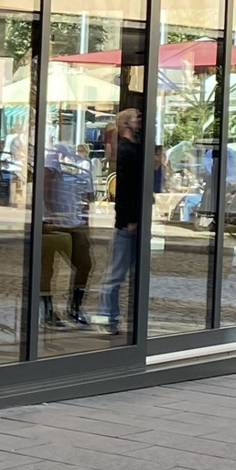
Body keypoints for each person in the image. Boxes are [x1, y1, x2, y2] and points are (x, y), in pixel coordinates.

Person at [40, 137, 93, 326]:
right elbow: (46, 187)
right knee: (47, 268)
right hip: (52, 223)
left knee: (84, 264)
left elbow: (86, 198)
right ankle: (47, 311)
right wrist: (51, 215)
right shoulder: (52, 159)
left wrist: (85, 224)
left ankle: (74, 308)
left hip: (71, 221)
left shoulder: (80, 164)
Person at [102, 106, 143, 329]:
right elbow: (126, 189)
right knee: (116, 273)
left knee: (124, 271)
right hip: (128, 222)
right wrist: (130, 219)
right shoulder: (127, 151)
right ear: (127, 124)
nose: (141, 121)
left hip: (133, 220)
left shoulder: (135, 149)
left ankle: (113, 316)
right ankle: (107, 316)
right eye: (137, 118)